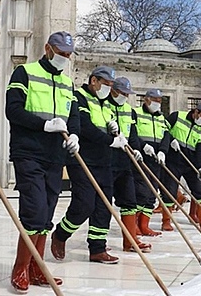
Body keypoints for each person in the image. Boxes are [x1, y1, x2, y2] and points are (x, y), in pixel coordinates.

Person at [6, 31, 80, 292]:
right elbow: (12, 110)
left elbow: (73, 117)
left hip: (54, 156)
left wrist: (75, 136)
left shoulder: (67, 84)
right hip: (28, 152)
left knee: (47, 212)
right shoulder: (25, 73)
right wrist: (44, 125)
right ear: (48, 48)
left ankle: (37, 269)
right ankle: (21, 268)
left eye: (68, 55)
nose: (64, 58)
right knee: (35, 210)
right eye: (61, 53)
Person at [50, 66, 121, 264]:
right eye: (105, 84)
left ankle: (97, 248)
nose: (108, 88)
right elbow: (85, 126)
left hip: (104, 160)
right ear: (94, 81)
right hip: (82, 159)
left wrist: (115, 129)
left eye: (110, 85)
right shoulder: (79, 97)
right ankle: (61, 234)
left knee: (104, 206)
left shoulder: (107, 104)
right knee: (84, 204)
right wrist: (109, 140)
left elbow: (107, 125)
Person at [106, 77, 152, 252]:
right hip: (107, 160)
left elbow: (132, 134)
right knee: (104, 204)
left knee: (130, 202)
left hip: (125, 161)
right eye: (123, 93)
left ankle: (130, 241)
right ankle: (98, 244)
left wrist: (136, 148)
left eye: (127, 94)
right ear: (114, 91)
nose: (125, 97)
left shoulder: (129, 111)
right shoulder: (104, 105)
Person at [161, 103, 201, 230]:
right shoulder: (177, 116)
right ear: (196, 112)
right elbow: (163, 129)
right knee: (170, 191)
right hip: (173, 160)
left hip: (190, 163)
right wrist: (170, 139)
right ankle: (166, 221)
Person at [133, 89, 170, 236]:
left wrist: (163, 151)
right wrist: (142, 146)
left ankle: (144, 225)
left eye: (160, 100)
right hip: (141, 158)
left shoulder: (161, 118)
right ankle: (134, 224)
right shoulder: (136, 113)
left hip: (156, 160)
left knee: (152, 194)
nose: (158, 103)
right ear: (146, 99)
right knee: (141, 192)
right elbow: (132, 133)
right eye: (155, 100)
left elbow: (166, 135)